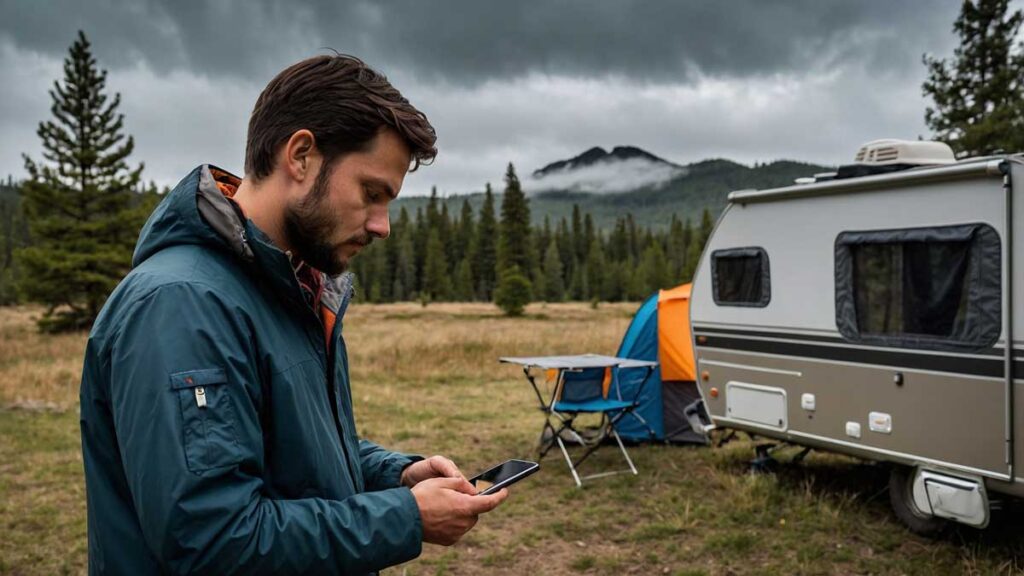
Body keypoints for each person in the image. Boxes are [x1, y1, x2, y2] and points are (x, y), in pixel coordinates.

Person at [79, 54, 507, 575]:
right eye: (371, 194)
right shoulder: (180, 305)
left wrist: (397, 476)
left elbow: (288, 454)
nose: (382, 226)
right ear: (301, 156)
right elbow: (213, 539)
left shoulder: (296, 289)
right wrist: (404, 518)